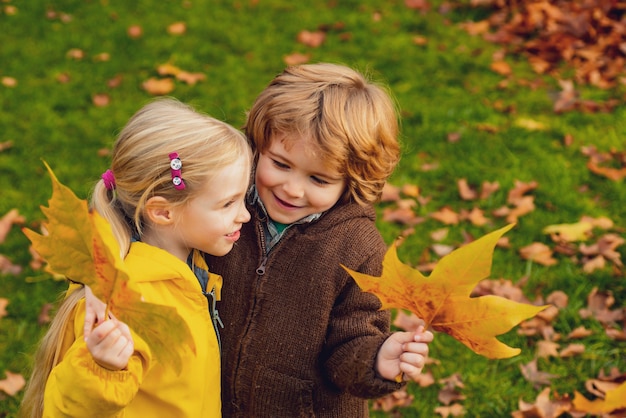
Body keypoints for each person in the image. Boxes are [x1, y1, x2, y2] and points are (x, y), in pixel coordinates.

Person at [204, 63, 433, 417]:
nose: (292, 189)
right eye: (280, 164)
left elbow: (350, 343)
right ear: (258, 146)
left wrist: (377, 359)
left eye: (320, 180)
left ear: (351, 181)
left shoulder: (357, 248)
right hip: (208, 400)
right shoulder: (221, 205)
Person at [19, 97, 252, 418]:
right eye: (228, 204)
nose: (245, 216)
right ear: (162, 212)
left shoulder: (186, 265)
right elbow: (67, 410)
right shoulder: (126, 305)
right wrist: (103, 370)